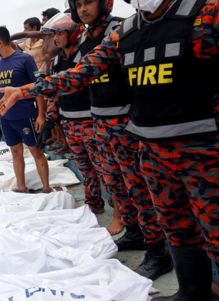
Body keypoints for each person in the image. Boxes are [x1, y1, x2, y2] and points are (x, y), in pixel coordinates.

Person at [0, 0, 219, 301]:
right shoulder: (126, 33)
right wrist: (26, 91)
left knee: (218, 233)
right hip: (152, 149)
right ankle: (194, 295)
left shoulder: (209, 13)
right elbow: (82, 73)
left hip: (205, 149)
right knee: (177, 226)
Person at [67, 0, 172, 280]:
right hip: (99, 122)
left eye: (88, 2)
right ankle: (136, 232)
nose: (83, 9)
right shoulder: (86, 39)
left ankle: (157, 250)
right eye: (78, 5)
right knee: (115, 184)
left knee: (138, 187)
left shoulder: (118, 30)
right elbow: (78, 75)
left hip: (125, 122)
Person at [41, 14, 108, 215]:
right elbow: (55, 94)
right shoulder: (58, 61)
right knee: (85, 170)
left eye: (60, 32)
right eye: (54, 33)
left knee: (105, 171)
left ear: (74, 32)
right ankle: (93, 205)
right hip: (70, 123)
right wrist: (50, 120)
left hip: (90, 121)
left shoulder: (86, 56)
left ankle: (121, 214)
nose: (56, 38)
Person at [0, 27, 51, 194]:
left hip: (25, 114)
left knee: (35, 150)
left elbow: (38, 87)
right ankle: (21, 187)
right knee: (15, 151)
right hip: (7, 118)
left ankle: (46, 188)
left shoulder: (24, 59)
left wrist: (41, 115)